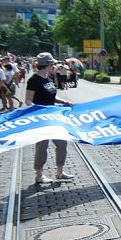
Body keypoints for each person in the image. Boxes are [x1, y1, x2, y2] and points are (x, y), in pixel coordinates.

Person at [26, 53, 75, 184]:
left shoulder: (48, 78)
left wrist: (63, 101)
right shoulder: (34, 80)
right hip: (41, 118)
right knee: (42, 145)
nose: (54, 66)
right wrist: (39, 108)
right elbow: (28, 100)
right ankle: (39, 174)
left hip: (53, 117)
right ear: (48, 64)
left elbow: (52, 97)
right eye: (52, 63)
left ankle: (59, 172)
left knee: (62, 143)